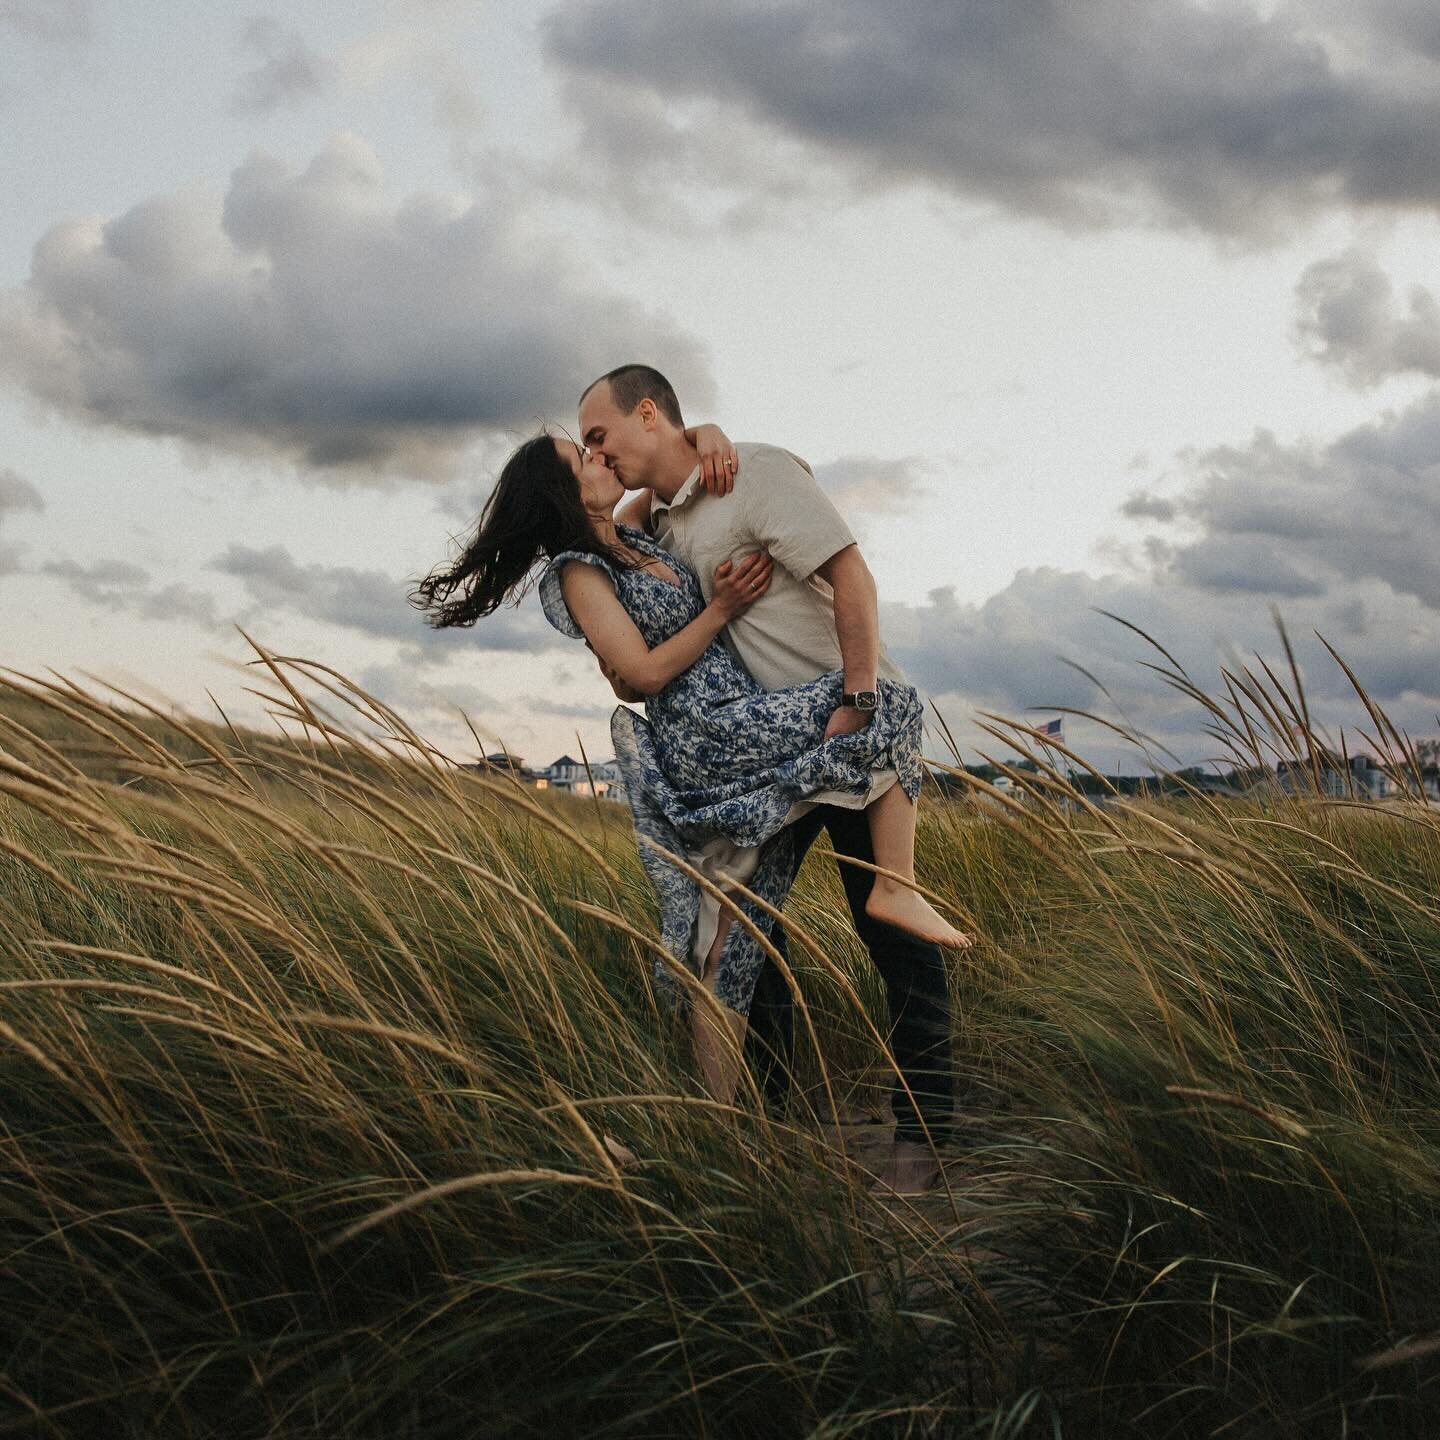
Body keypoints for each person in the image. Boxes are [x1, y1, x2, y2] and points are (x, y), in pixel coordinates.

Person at [413, 410, 971, 1192]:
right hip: (711, 734)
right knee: (891, 699)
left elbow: (669, 470)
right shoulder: (578, 569)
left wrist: (706, 431)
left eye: (600, 441)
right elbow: (637, 675)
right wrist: (719, 610)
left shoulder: (638, 535)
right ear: (564, 494)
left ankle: (726, 1135)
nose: (602, 459)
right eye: (585, 457)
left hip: (751, 724)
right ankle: (896, 889)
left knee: (732, 950)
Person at [578, 365, 965, 1194]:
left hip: (845, 731)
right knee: (750, 941)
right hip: (767, 759)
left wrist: (858, 698)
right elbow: (637, 552)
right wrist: (700, 436)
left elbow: (851, 574)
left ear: (648, 413)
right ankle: (773, 1127)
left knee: (892, 939)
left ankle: (923, 1139)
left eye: (600, 434)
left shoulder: (756, 473)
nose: (594, 452)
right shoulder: (662, 521)